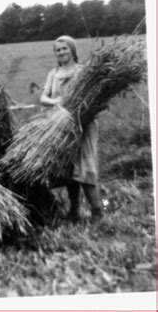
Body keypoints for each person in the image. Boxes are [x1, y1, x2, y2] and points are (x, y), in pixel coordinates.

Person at [40, 35, 104, 223]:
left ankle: (97, 212)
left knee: (86, 167)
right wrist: (57, 102)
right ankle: (74, 211)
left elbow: (93, 98)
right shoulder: (54, 73)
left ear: (72, 50)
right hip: (62, 126)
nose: (61, 52)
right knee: (69, 169)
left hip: (83, 125)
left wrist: (78, 110)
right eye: (58, 50)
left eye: (64, 48)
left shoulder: (83, 71)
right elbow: (43, 98)